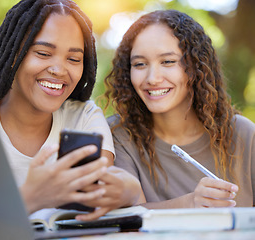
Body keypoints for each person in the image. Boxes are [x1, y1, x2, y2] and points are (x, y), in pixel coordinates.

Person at [0, 0, 142, 220]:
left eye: (73, 59)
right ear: (13, 55)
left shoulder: (84, 118)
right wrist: (32, 198)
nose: (59, 70)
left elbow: (99, 195)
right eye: (43, 53)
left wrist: (130, 189)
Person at [104, 9, 255, 208]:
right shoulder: (118, 136)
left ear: (196, 66)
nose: (152, 78)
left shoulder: (243, 135)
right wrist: (190, 203)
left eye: (168, 61)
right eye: (140, 64)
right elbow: (126, 216)